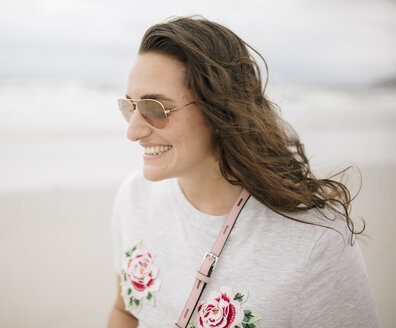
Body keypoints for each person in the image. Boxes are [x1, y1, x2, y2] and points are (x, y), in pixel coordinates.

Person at [107, 16, 380, 328]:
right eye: (130, 106)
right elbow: (127, 311)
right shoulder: (134, 197)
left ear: (219, 109)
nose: (133, 131)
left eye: (155, 108)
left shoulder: (317, 243)